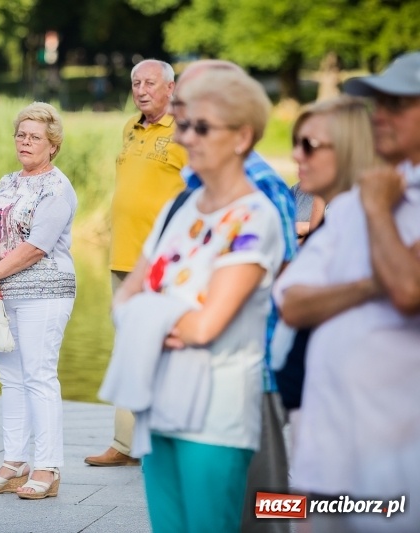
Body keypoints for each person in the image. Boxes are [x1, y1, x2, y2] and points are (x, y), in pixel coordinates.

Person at [109, 69, 285, 531]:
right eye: (185, 126)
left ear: (242, 136)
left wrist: (150, 314)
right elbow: (123, 299)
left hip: (216, 410)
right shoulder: (179, 206)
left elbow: (208, 325)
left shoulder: (254, 215)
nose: (187, 138)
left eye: (202, 127)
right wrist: (165, 317)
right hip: (159, 396)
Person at [274, 51, 420, 533]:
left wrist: (380, 213)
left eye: (397, 103)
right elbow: (291, 302)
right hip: (326, 449)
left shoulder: (375, 200)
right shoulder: (358, 199)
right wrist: (370, 283)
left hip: (396, 464)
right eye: (378, 103)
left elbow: (408, 290)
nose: (381, 114)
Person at [172, 59, 298, 533]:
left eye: (190, 107)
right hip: (195, 372)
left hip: (250, 376)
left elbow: (281, 287)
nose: (179, 120)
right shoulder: (192, 186)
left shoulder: (260, 187)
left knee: (262, 512)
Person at [84, 59, 187, 468]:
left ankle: (164, 444)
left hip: (163, 261)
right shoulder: (130, 127)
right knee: (127, 349)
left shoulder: (186, 130)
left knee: (164, 350)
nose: (141, 90)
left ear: (171, 88)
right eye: (135, 83)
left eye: (150, 83)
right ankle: (124, 444)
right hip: (123, 256)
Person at [0, 102, 77, 499]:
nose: (26, 142)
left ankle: (47, 467)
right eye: (21, 134)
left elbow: (37, 246)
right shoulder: (5, 183)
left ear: (53, 145)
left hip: (44, 292)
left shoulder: (57, 187)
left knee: (38, 376)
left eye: (35, 137)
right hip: (2, 293)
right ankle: (15, 461)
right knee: (10, 379)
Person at [275, 96, 380, 441]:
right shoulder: (337, 218)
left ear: (348, 150)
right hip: (307, 396)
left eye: (310, 146)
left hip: (354, 411)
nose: (296, 155)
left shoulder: (374, 216)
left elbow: (295, 306)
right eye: (295, 144)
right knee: (280, 495)